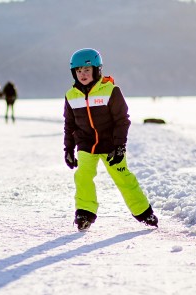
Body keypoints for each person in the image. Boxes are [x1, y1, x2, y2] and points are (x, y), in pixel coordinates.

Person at [63, 48, 158, 231]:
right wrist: (68, 149)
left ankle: (144, 213)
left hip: (111, 144)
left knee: (123, 177)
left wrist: (120, 146)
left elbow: (122, 120)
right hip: (86, 144)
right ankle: (84, 213)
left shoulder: (111, 91)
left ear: (97, 70)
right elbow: (69, 125)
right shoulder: (71, 95)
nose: (82, 74)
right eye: (78, 71)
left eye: (87, 70)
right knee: (83, 175)